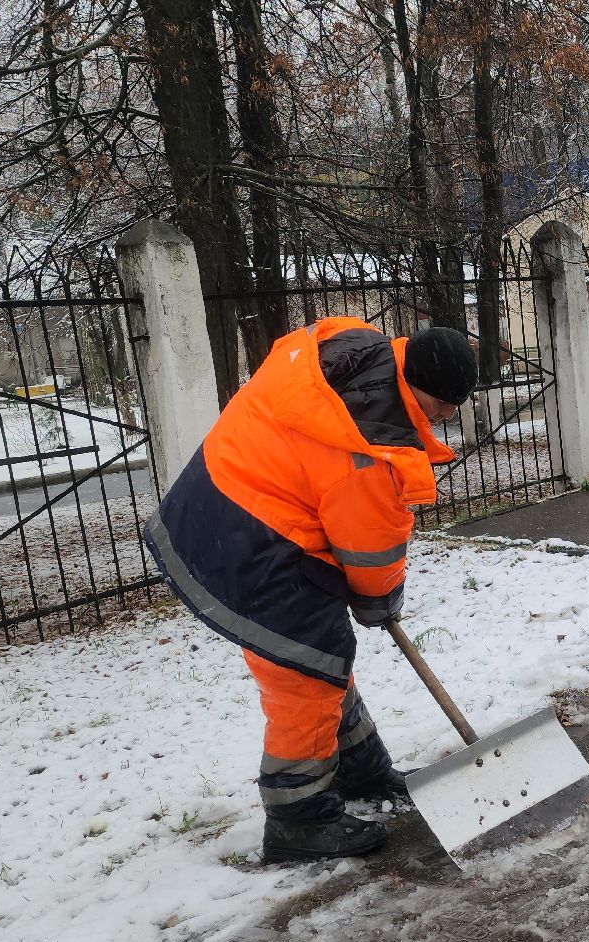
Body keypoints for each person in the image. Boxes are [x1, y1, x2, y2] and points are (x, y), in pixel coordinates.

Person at [144, 317, 478, 860]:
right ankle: (297, 818)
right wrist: (379, 602)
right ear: (415, 381)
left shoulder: (354, 353)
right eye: (442, 404)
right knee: (304, 670)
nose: (446, 416)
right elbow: (371, 553)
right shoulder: (371, 448)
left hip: (218, 502)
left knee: (320, 655)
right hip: (249, 538)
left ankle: (361, 772)